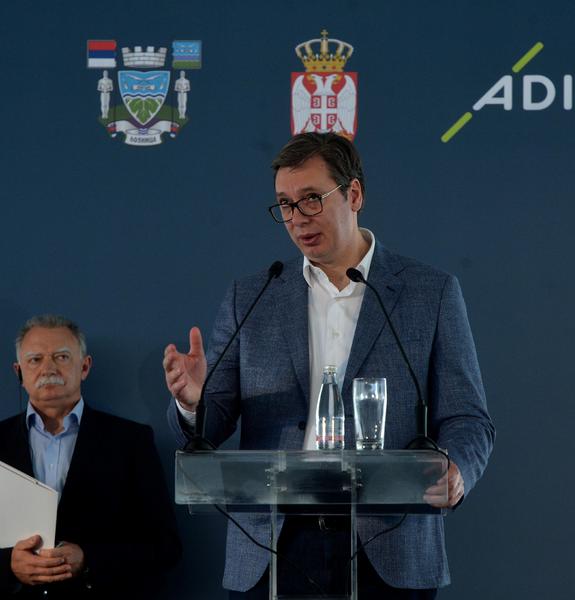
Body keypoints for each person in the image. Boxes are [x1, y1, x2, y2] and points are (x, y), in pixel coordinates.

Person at [163, 132, 495, 599]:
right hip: (273, 543)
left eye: (311, 199)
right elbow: (209, 429)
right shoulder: (253, 295)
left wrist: (456, 468)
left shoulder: (430, 293)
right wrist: (193, 403)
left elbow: (468, 418)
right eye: (285, 204)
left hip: (389, 541)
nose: (297, 218)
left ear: (353, 194)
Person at [0, 315, 182, 598]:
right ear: (19, 372)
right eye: (35, 359)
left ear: (84, 367)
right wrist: (9, 564)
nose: (48, 368)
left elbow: (165, 546)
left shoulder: (131, 441)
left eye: (61, 357)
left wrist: (88, 559)